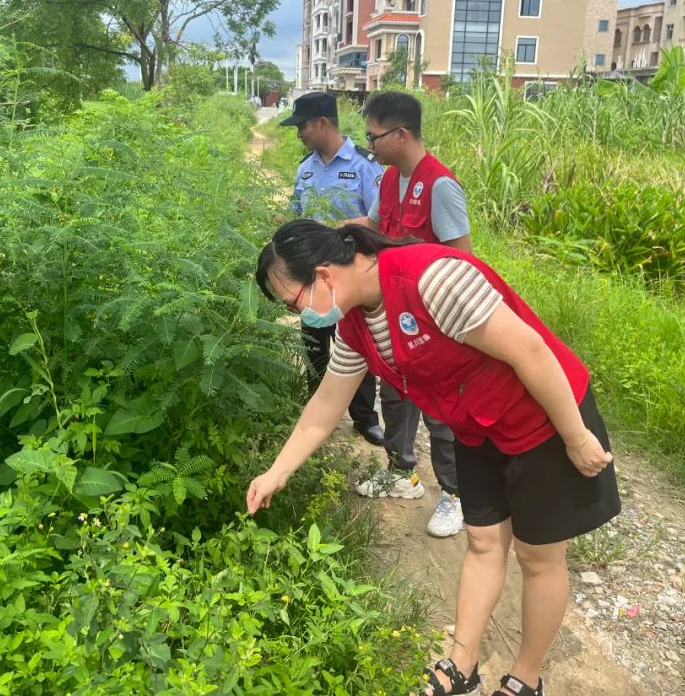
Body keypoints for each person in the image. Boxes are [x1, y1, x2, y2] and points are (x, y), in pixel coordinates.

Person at [247, 219, 621, 696]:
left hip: (544, 416)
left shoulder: (432, 279)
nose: (299, 314)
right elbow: (327, 402)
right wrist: (277, 471)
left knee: (538, 556)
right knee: (483, 542)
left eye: (293, 302)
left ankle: (527, 678)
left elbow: (530, 350)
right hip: (477, 425)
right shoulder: (357, 321)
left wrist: (576, 436)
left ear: (323, 275)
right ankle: (462, 665)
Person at [344, 91, 470, 539]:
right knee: (396, 395)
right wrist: (335, 230)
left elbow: (463, 261)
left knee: (441, 409)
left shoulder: (440, 186)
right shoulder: (388, 179)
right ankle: (402, 473)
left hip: (435, 320)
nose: (369, 146)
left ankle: (457, 494)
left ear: (400, 134)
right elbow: (377, 226)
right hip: (396, 314)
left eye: (373, 136)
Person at [281, 91, 385, 445]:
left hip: (350, 275)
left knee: (354, 343)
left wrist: (333, 228)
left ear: (323, 122)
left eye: (303, 126)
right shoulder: (305, 169)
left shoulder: (364, 165)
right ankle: (317, 414)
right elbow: (296, 214)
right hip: (312, 275)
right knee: (314, 342)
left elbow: (379, 220)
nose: (299, 134)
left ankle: (364, 417)